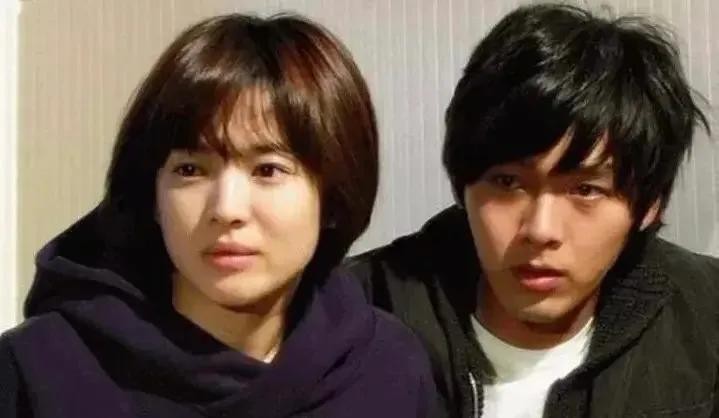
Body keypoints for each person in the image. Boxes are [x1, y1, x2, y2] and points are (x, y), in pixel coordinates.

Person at [0, 14, 436, 418]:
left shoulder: (388, 368)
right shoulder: (40, 371)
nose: (226, 209)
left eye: (268, 170)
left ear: (333, 198)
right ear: (151, 195)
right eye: (190, 170)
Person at [346, 3, 719, 418]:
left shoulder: (707, 317)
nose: (541, 230)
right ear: (463, 185)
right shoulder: (357, 313)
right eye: (508, 183)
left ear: (649, 206)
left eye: (585, 190)